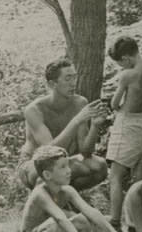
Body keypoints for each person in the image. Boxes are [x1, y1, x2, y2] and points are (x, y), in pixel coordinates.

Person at [18, 145, 121, 232]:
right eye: (62, 167)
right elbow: (60, 218)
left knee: (82, 221)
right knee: (56, 223)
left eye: (67, 165)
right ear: (47, 175)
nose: (69, 170)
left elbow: (90, 211)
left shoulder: (67, 190)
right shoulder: (40, 193)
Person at [18, 58, 108, 191]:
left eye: (74, 78)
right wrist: (77, 120)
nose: (73, 84)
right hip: (34, 164)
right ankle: (43, 204)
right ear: (52, 84)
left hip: (63, 161)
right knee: (46, 174)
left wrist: (95, 126)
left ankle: (65, 198)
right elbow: (48, 155)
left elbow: (86, 152)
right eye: (67, 79)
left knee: (100, 166)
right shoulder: (34, 110)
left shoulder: (80, 103)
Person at [106, 36, 142, 232]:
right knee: (139, 174)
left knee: (116, 176)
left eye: (119, 62)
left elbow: (114, 104)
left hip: (128, 123)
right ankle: (139, 222)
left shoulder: (128, 74)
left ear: (126, 58)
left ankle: (115, 222)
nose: (120, 66)